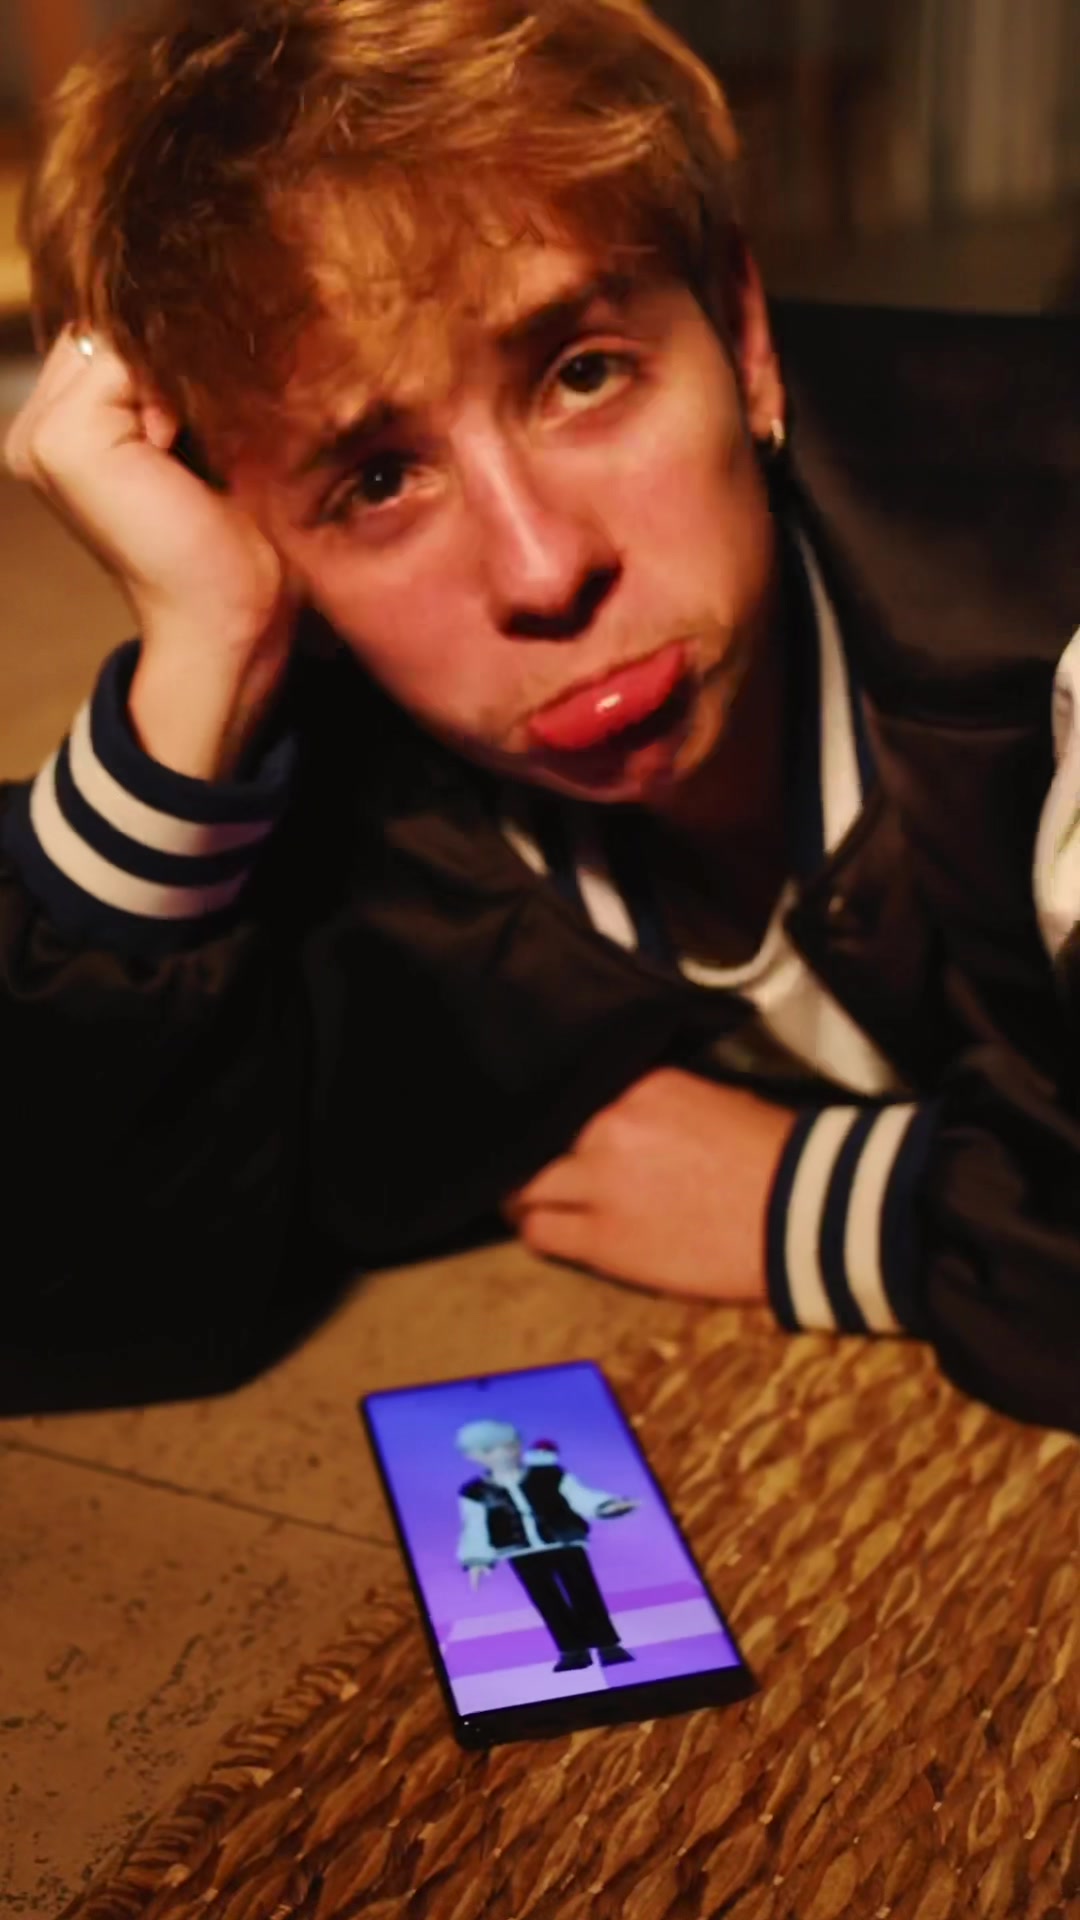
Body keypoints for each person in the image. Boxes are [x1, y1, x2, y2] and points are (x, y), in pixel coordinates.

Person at [1, 0, 1077, 1429]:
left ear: (743, 336)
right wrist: (204, 659)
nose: (542, 568)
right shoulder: (357, 786)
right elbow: (74, 1275)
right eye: (375, 481)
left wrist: (843, 1205)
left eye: (583, 373)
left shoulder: (1036, 586)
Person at [455, 1422, 638, 1672]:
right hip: (521, 1553)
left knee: (585, 1594)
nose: (505, 1453)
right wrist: (477, 1559)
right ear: (473, 1456)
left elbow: (581, 1497)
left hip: (565, 1543)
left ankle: (608, 1646)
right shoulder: (474, 1492)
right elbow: (475, 1526)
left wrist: (606, 1506)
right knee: (547, 1602)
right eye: (491, 1450)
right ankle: (572, 1651)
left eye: (511, 1446)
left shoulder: (550, 1475)